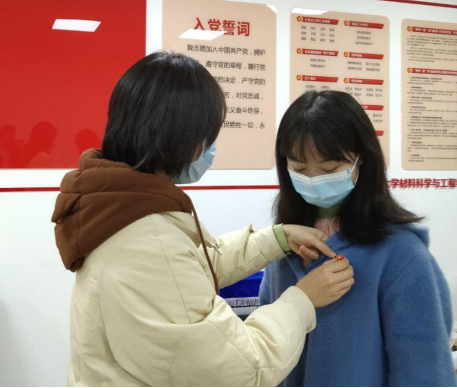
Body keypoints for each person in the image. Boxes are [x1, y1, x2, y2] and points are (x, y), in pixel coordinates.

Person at [53, 53, 354, 387]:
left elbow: (189, 270)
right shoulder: (146, 240)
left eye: (329, 169)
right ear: (188, 141)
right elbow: (238, 369)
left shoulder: (114, 206)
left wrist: (275, 239)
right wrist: (302, 300)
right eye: (209, 137)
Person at [259, 90, 457, 387]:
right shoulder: (285, 241)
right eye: (299, 169)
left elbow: (424, 370)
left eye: (329, 169)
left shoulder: (401, 253)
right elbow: (265, 342)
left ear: (360, 157)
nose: (313, 179)